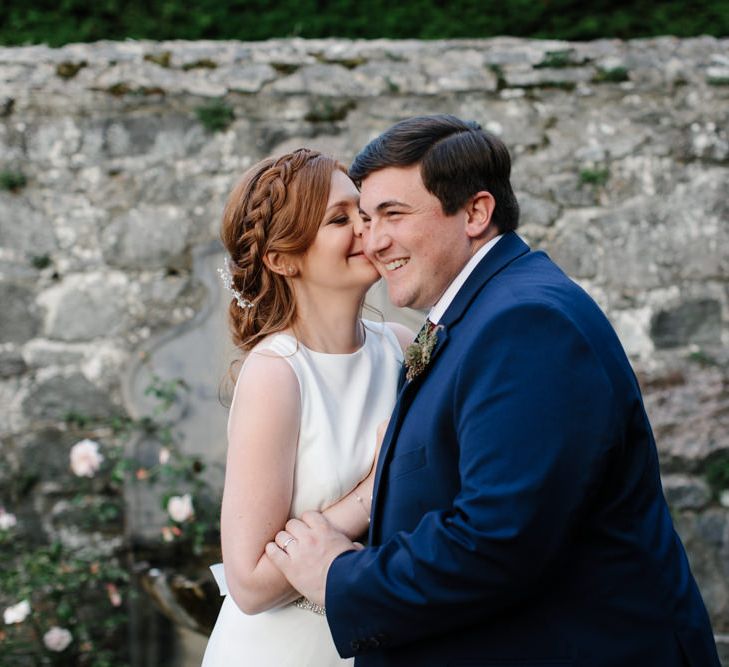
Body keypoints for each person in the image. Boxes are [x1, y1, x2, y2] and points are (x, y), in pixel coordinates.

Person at [265, 115, 722, 666]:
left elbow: (497, 540)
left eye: (394, 214)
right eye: (365, 217)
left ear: (476, 213)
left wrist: (339, 577)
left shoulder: (526, 323)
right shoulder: (484, 310)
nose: (374, 240)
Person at [201, 148, 412, 666]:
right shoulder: (277, 373)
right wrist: (371, 489)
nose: (367, 230)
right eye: (340, 219)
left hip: (380, 639)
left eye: (365, 213)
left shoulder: (404, 347)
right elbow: (248, 584)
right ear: (282, 259)